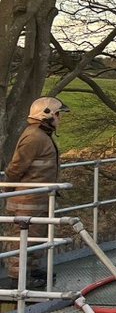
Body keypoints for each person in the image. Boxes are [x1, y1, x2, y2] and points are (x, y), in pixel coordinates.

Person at [3, 96, 69, 287]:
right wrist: (10, 191)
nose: (60, 119)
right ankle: (18, 279)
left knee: (36, 238)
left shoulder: (40, 135)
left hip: (38, 198)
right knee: (24, 239)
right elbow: (15, 168)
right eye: (58, 114)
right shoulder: (34, 136)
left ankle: (30, 271)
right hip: (27, 200)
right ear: (47, 115)